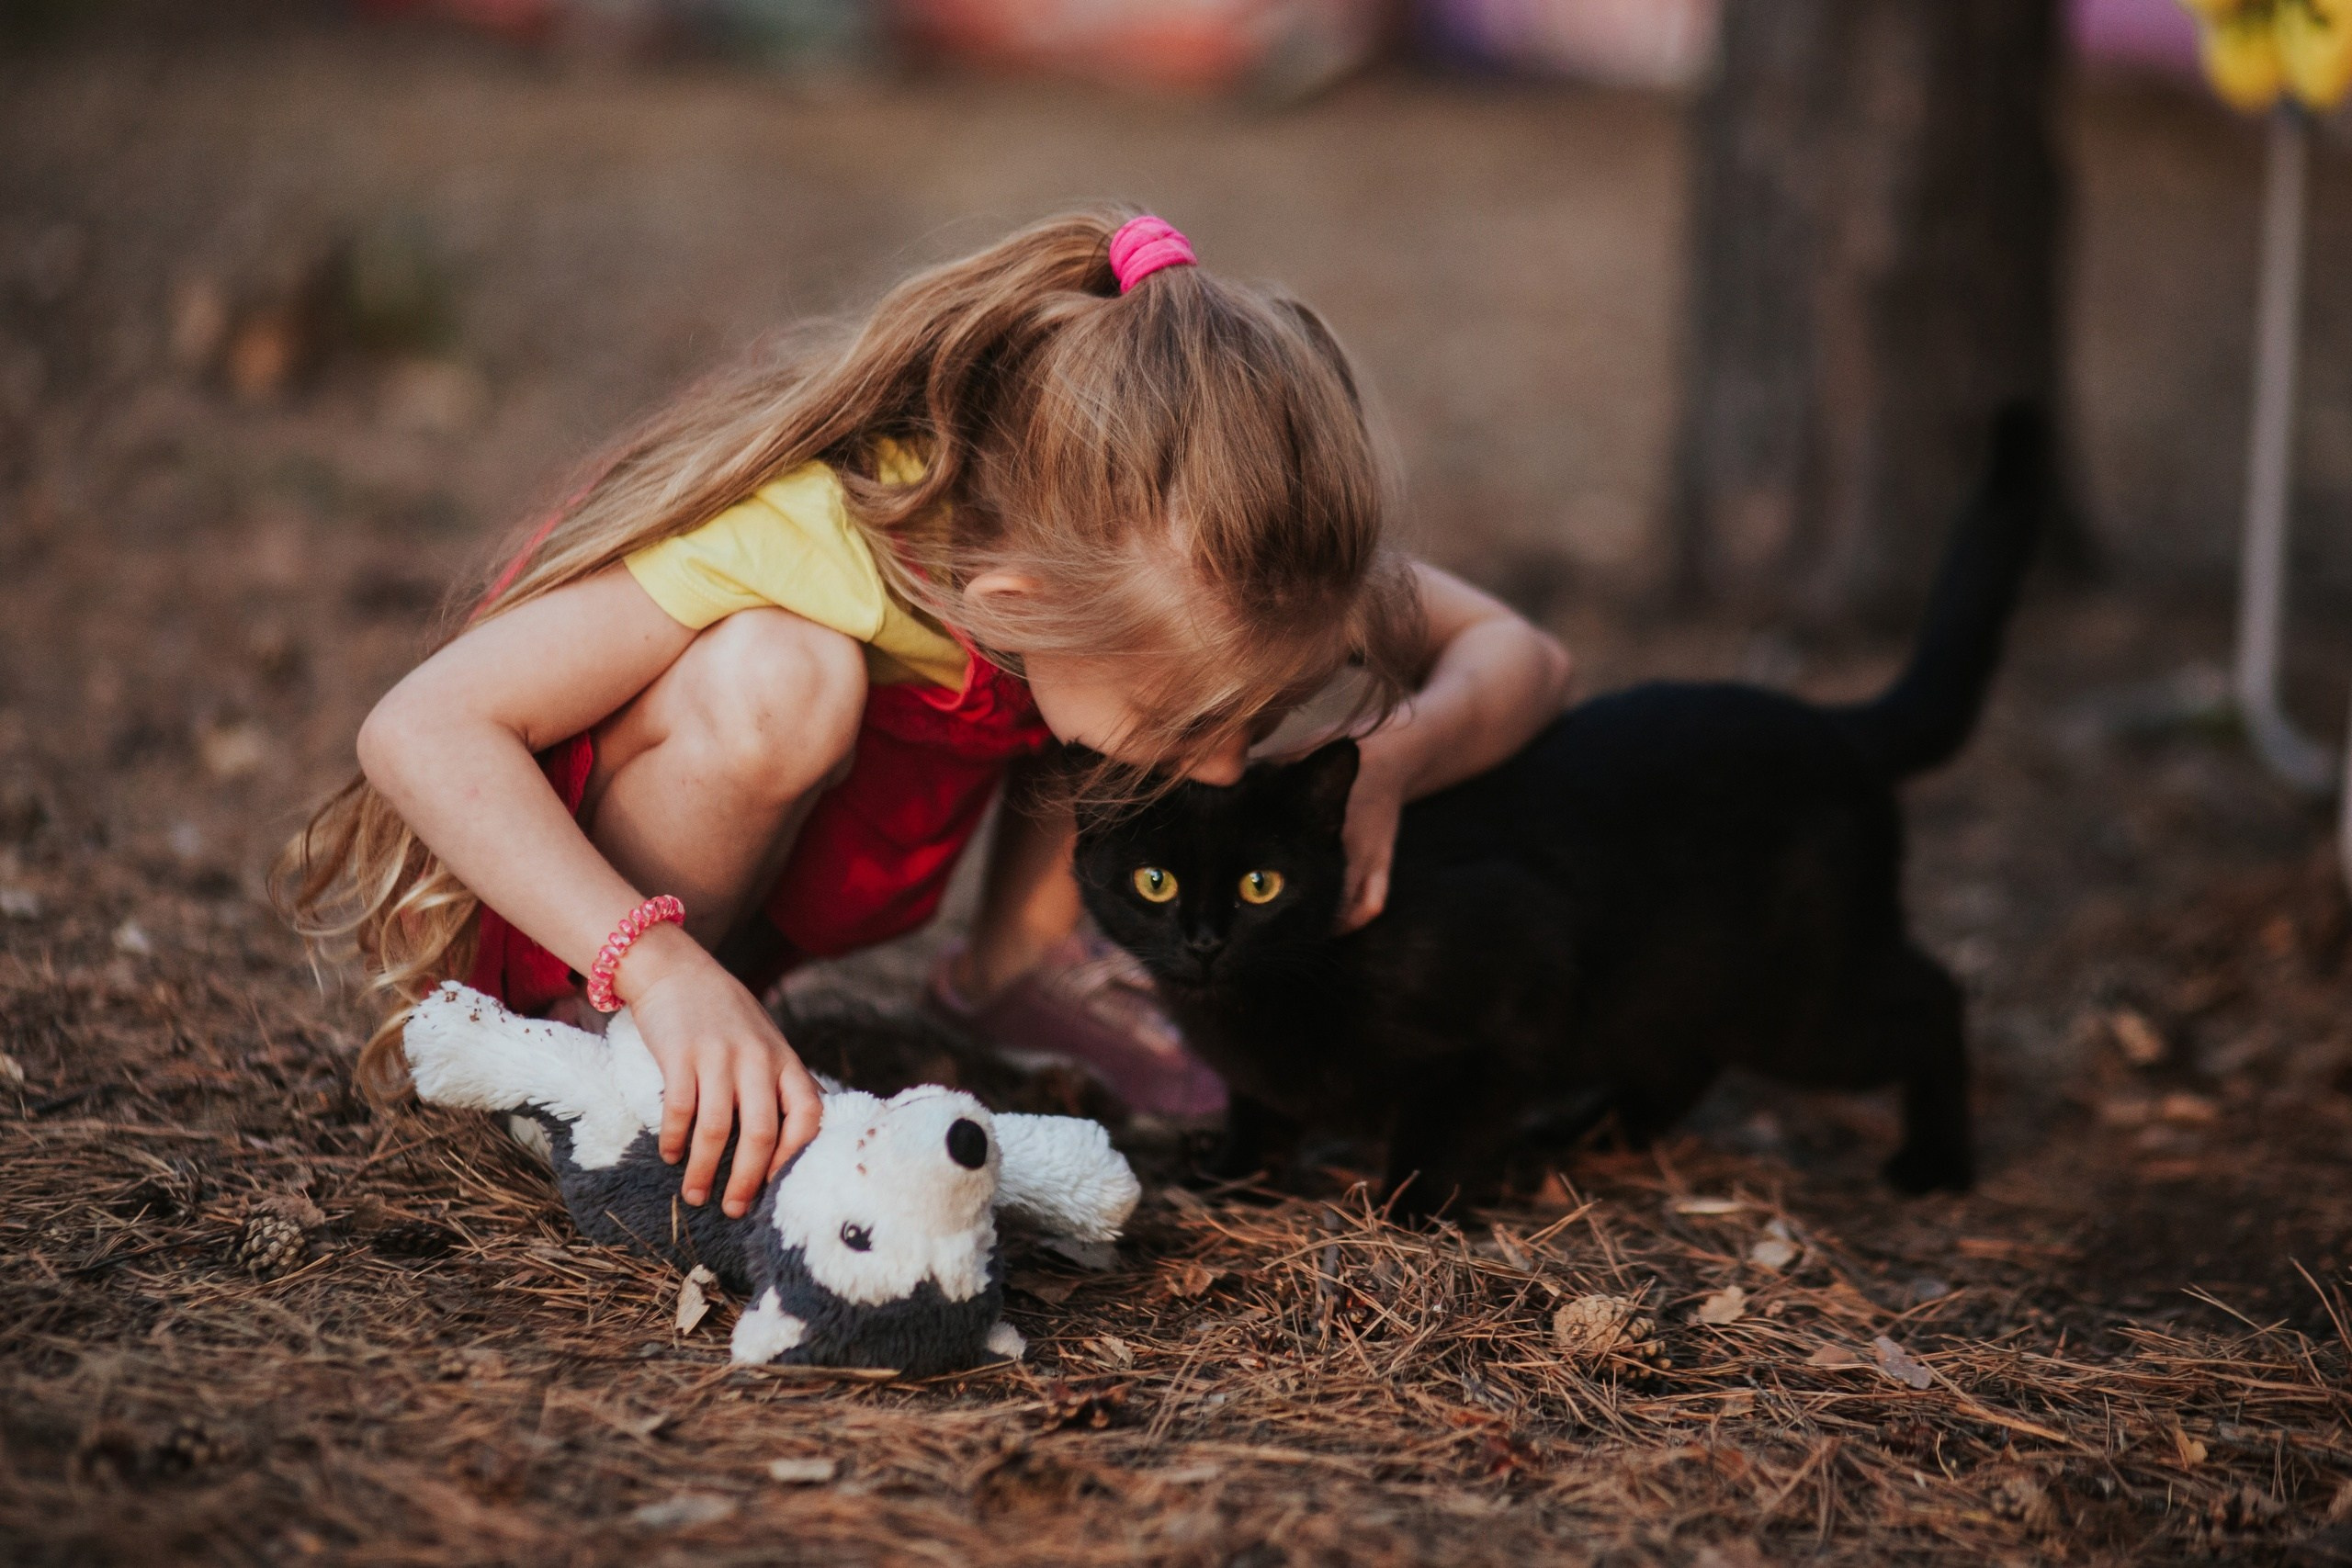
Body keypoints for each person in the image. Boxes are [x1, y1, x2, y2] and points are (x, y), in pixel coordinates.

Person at [279, 209, 1572, 1224]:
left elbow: (1523, 656)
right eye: (1197, 723)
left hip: (763, 923)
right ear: (1009, 598)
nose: (1230, 766)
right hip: (585, 940)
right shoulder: (815, 539)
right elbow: (419, 727)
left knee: (1092, 710)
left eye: (1260, 715)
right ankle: (604, 1068)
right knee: (787, 679)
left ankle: (1013, 967)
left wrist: (1392, 766)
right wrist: (658, 971)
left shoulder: (1199, 577)